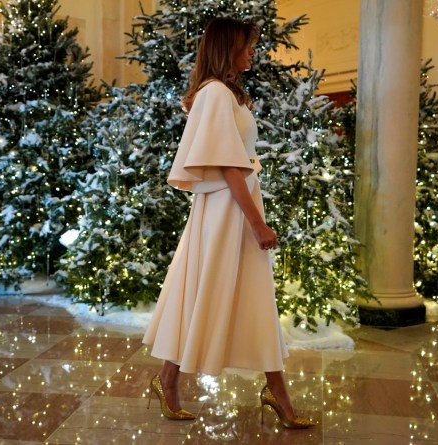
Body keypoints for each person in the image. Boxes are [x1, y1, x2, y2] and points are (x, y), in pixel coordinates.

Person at [142, 16, 314, 429]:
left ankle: (274, 391)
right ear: (227, 48)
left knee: (235, 293)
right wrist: (258, 223)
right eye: (246, 44)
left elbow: (237, 163)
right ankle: (170, 381)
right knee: (208, 289)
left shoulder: (227, 94)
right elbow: (227, 165)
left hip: (232, 208)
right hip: (227, 211)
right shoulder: (216, 93)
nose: (253, 50)